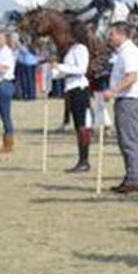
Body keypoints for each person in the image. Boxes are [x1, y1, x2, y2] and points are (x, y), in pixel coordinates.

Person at [102, 22, 138, 194]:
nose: (110, 37)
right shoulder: (124, 52)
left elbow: (132, 77)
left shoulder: (129, 52)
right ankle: (130, 177)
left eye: (112, 34)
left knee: (129, 141)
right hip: (127, 99)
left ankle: (133, 179)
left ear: (121, 35)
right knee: (125, 140)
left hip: (129, 99)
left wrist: (113, 90)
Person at [51, 23, 93, 172]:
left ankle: (84, 160)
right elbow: (68, 70)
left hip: (79, 89)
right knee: (78, 126)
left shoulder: (81, 48)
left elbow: (81, 69)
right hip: (71, 88)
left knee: (82, 126)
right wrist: (56, 71)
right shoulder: (71, 49)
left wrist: (61, 67)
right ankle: (81, 159)